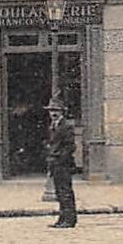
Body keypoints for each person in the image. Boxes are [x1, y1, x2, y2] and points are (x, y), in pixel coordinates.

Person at [44, 95, 77, 229]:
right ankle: (62, 218)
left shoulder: (66, 126)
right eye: (51, 110)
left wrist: (59, 158)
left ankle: (69, 220)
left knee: (65, 192)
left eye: (56, 110)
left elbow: (70, 146)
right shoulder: (53, 125)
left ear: (62, 112)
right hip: (55, 163)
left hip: (63, 164)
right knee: (59, 192)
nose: (53, 113)